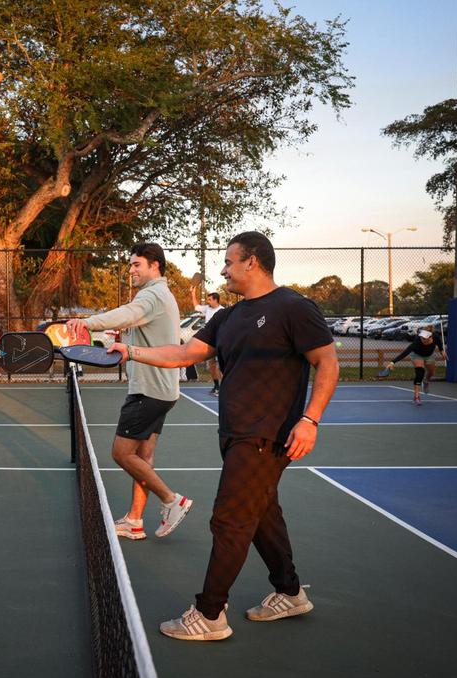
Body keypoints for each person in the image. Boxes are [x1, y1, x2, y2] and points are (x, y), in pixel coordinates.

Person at [108, 231, 338, 641]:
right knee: (263, 513)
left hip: (267, 435)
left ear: (252, 261)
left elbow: (327, 362)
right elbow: (185, 354)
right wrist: (131, 353)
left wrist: (311, 419)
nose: (223, 269)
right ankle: (289, 591)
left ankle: (209, 614)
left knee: (230, 519)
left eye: (229, 262)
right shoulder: (228, 317)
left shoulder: (294, 307)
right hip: (234, 433)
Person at [66, 242, 190, 542]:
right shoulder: (160, 295)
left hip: (148, 390)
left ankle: (173, 500)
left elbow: (127, 312)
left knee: (121, 454)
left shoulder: (153, 294)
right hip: (163, 390)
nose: (131, 270)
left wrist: (87, 323)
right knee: (143, 459)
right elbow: (137, 325)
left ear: (154, 266)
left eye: (137, 264)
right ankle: (135, 521)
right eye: (131, 265)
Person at [387, 327, 447, 405]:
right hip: (417, 355)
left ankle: (426, 381)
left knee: (431, 373)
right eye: (422, 338)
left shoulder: (435, 337)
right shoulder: (417, 341)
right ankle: (416, 397)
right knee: (420, 373)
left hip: (429, 355)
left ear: (430, 337)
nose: (423, 340)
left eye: (425, 338)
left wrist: (442, 352)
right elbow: (405, 352)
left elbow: (440, 345)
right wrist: (392, 363)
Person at [191, 287, 225, 395]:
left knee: (222, 365)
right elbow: (196, 307)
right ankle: (217, 387)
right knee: (212, 365)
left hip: (220, 339)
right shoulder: (207, 308)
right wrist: (193, 293)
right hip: (210, 340)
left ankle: (225, 388)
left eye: (210, 299)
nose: (208, 301)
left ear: (215, 300)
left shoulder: (222, 311)